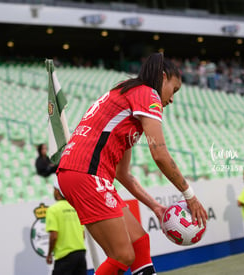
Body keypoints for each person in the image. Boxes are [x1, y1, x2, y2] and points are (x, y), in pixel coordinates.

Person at [56, 53, 208, 275]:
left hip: (86, 173)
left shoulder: (127, 94)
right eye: (173, 90)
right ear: (162, 77)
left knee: (139, 241)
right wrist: (189, 195)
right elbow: (160, 155)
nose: (172, 99)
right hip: (86, 172)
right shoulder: (148, 95)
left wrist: (155, 206)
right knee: (122, 255)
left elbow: (122, 173)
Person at [46, 180, 87, 275]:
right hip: (80, 254)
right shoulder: (75, 208)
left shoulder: (53, 209)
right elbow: (83, 235)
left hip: (64, 256)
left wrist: (49, 254)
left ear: (57, 191)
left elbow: (54, 236)